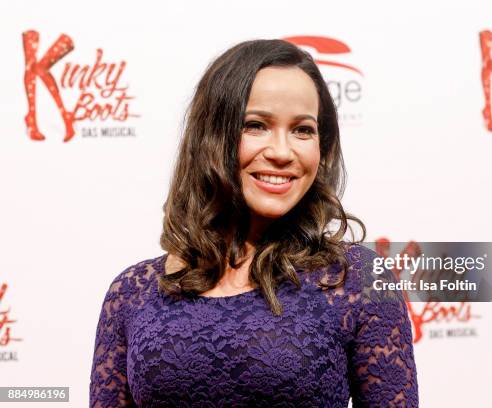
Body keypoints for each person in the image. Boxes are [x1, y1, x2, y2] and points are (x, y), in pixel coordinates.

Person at [89, 39, 418, 407]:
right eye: (256, 125)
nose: (281, 151)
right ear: (211, 137)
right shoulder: (132, 293)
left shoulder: (355, 278)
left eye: (303, 130)